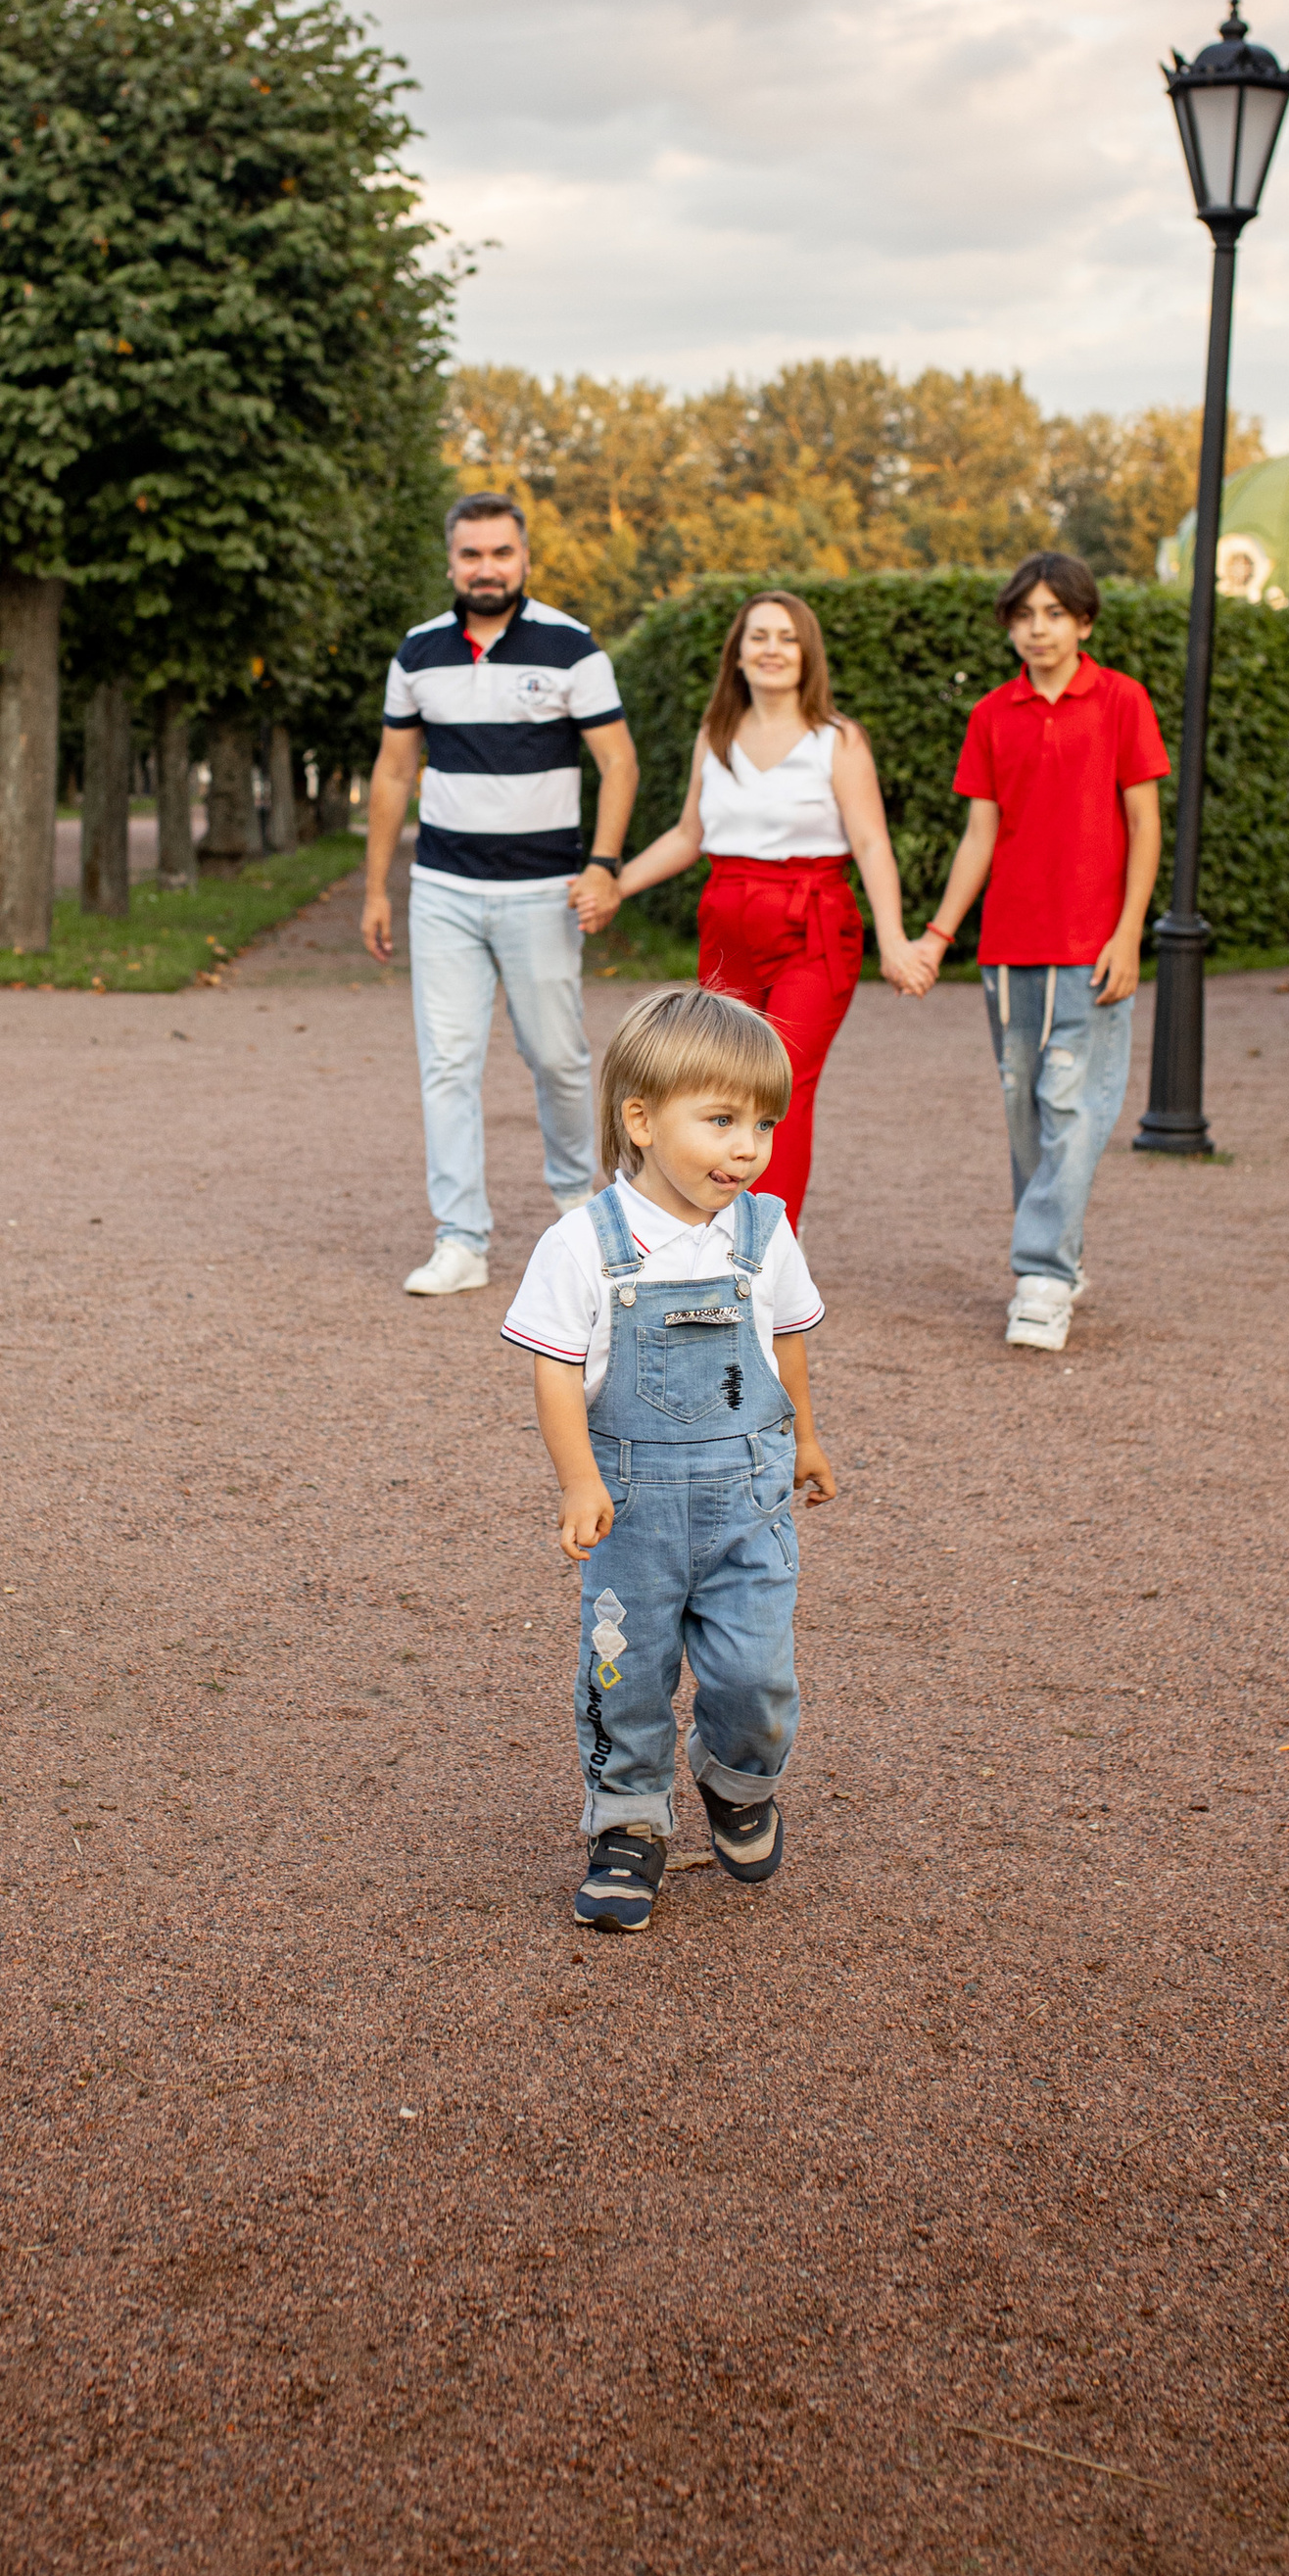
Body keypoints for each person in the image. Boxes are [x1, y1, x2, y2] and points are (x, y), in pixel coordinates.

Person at [503, 986, 836, 1933]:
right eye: (722, 1119)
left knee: (756, 1675)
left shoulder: (766, 1234)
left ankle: (737, 1777)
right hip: (633, 1512)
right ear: (640, 1119)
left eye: (764, 1123)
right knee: (625, 1671)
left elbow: (791, 1342)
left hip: (749, 1505)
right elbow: (556, 1370)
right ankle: (628, 1821)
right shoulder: (583, 1245)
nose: (749, 1146)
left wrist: (806, 1435)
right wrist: (579, 1479)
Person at [363, 495, 640, 1296]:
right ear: (450, 562)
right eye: (472, 554)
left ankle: (576, 1211)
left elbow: (617, 763)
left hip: (543, 891)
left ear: (525, 558)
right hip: (443, 887)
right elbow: (392, 771)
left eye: (501, 553)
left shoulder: (571, 645)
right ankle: (461, 1240)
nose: (487, 567)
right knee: (446, 1062)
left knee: (556, 1055)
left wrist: (605, 864)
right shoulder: (418, 651)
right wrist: (378, 887)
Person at [905, 550, 1168, 1354]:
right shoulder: (992, 714)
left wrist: (1129, 933)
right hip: (1008, 951)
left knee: (1073, 1110)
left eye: (1054, 613)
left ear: (1084, 622)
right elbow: (979, 836)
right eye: (1024, 616)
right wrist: (939, 935)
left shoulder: (1121, 700)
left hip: (1093, 950)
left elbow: (1145, 824)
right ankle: (1060, 1258)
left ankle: (1043, 1275)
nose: (1038, 629)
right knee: (1028, 1115)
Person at [602, 589, 925, 1226]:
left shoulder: (837, 739)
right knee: (719, 1079)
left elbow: (869, 841)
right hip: (727, 924)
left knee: (781, 1087)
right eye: (759, 636)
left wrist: (895, 939)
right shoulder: (715, 734)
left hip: (812, 923)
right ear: (738, 654)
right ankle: (717, 1228)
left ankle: (769, 1244)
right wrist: (616, 883)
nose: (772, 649)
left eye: (787, 637)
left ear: (808, 654)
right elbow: (688, 835)